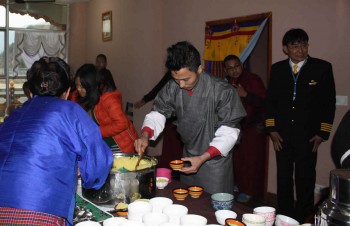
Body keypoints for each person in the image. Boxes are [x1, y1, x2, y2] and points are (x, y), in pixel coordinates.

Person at [0, 57, 113, 226]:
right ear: (67, 92)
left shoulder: (13, 116)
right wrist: (87, 174)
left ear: (30, 93)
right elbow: (99, 162)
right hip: (41, 212)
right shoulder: (71, 110)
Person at [134, 41, 246, 194]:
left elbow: (229, 131)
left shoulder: (222, 91)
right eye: (175, 79)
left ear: (199, 69)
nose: (180, 85)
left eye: (186, 79)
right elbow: (158, 112)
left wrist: (203, 157)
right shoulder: (172, 87)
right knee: (190, 206)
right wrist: (145, 135)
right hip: (188, 159)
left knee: (212, 208)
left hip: (215, 162)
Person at [265, 28, 336, 223]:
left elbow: (329, 103)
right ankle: (285, 214)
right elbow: (270, 101)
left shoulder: (322, 68)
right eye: (295, 46)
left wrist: (322, 132)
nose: (300, 50)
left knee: (305, 177)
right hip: (282, 135)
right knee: (284, 176)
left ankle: (305, 215)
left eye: (303, 45)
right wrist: (272, 130)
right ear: (285, 49)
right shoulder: (277, 69)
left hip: (309, 136)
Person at [224, 54, 267, 203]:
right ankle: (239, 185)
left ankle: (249, 191)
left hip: (252, 126)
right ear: (226, 70)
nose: (234, 71)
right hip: (235, 127)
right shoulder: (226, 83)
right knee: (237, 160)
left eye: (236, 66)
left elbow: (265, 102)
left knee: (251, 160)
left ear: (242, 65)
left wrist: (245, 94)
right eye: (230, 68)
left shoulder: (252, 79)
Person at [75, 64, 138, 152]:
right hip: (104, 145)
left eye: (82, 86)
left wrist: (96, 131)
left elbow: (122, 123)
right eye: (77, 85)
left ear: (90, 85)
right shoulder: (87, 97)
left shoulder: (108, 98)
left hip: (121, 145)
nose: (78, 89)